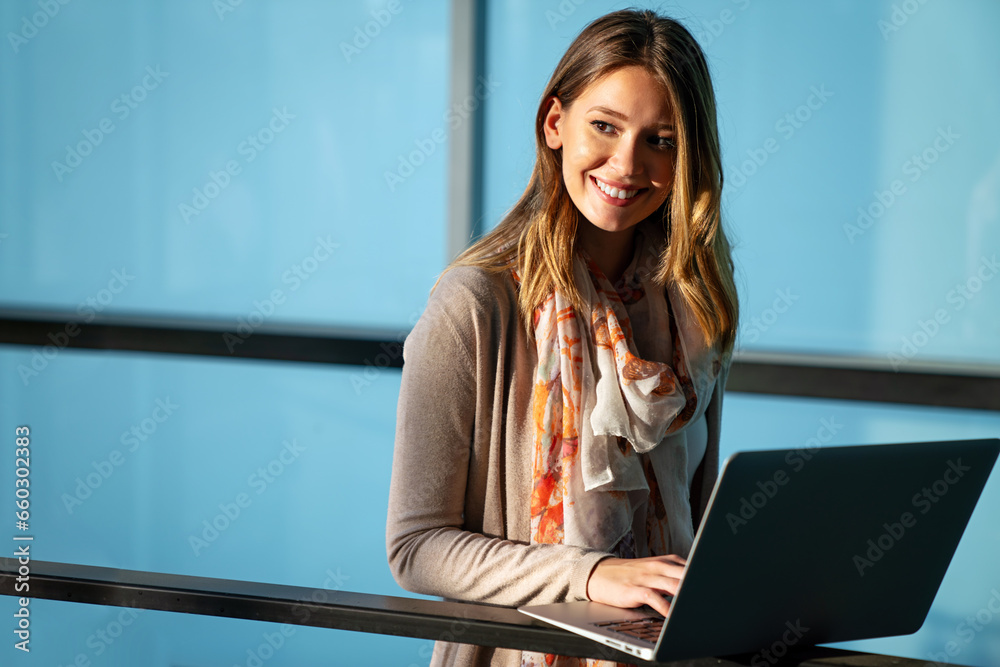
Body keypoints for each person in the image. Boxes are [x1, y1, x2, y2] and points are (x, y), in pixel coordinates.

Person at [386, 9, 739, 667]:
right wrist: (592, 574)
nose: (627, 164)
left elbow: (694, 525)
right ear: (556, 124)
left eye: (661, 140)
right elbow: (415, 546)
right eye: (604, 126)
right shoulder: (473, 306)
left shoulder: (695, 310)